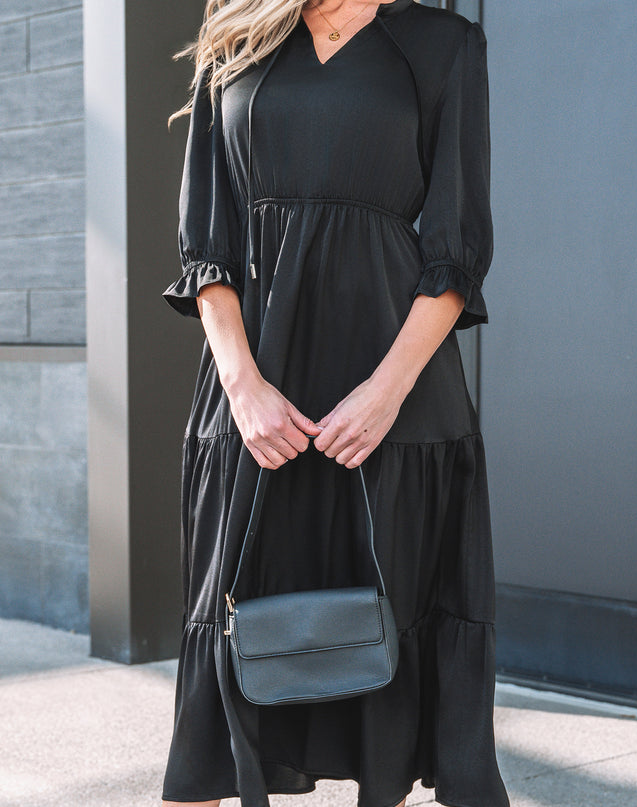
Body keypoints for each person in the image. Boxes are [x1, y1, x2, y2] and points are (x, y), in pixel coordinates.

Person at [160, 1, 510, 806]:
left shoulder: (445, 46)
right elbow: (204, 245)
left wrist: (386, 393)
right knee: (219, 656)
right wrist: (242, 388)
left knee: (398, 638)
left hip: (396, 400)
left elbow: (455, 248)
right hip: (252, 403)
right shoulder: (238, 32)